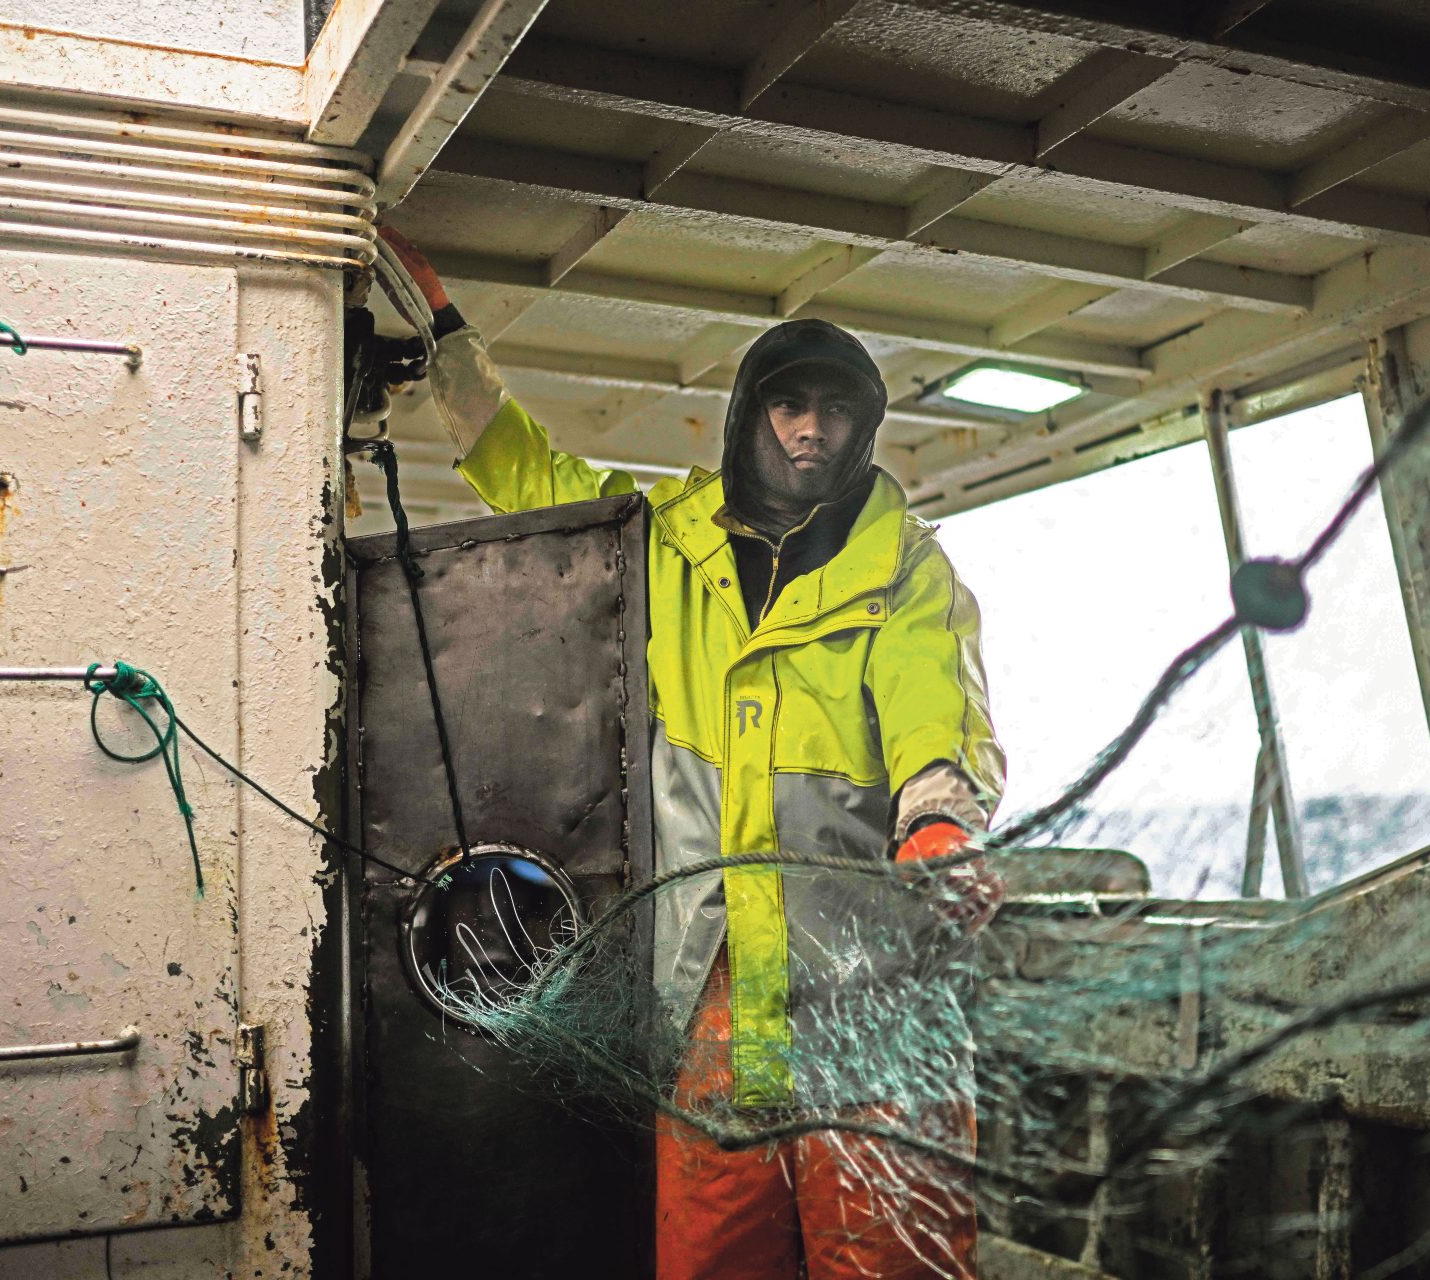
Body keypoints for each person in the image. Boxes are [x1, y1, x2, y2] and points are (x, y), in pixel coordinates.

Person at [380, 226, 1005, 1279]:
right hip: (708, 1008)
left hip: (867, 1006)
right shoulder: (663, 538)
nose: (812, 430)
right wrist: (445, 331)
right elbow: (534, 477)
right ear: (750, 416)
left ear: (865, 429)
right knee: (709, 1259)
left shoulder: (905, 568)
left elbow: (931, 700)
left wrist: (938, 818)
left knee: (892, 1262)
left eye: (838, 409)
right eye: (790, 405)